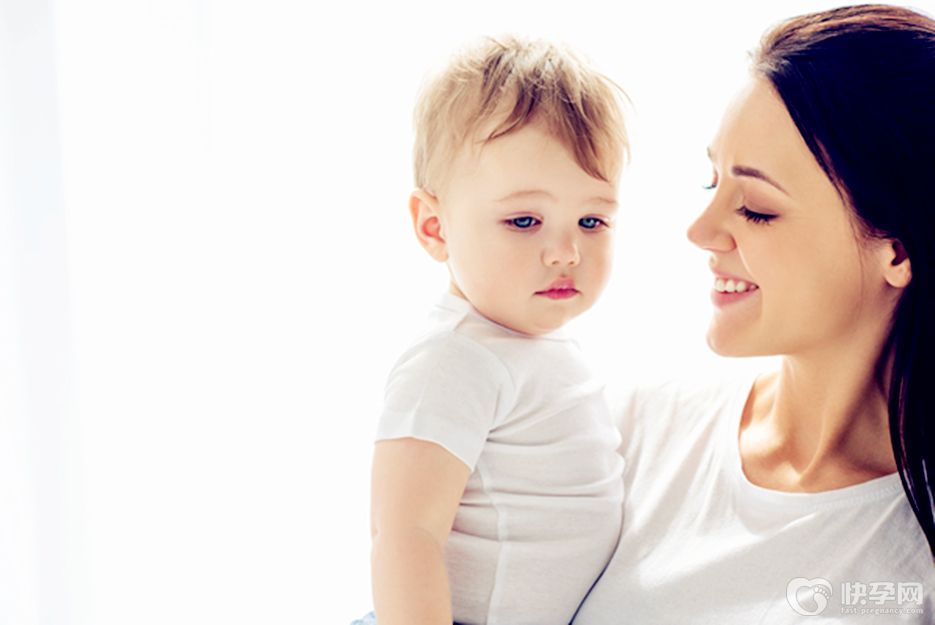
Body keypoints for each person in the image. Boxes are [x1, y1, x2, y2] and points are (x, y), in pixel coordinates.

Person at [572, 5, 935, 623]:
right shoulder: (630, 429)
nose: (699, 230)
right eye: (711, 182)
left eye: (757, 208)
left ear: (897, 252)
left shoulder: (915, 565)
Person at [361, 37, 629, 625]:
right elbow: (404, 533)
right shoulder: (453, 358)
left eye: (592, 220)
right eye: (525, 220)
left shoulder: (538, 344)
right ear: (435, 228)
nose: (566, 252)